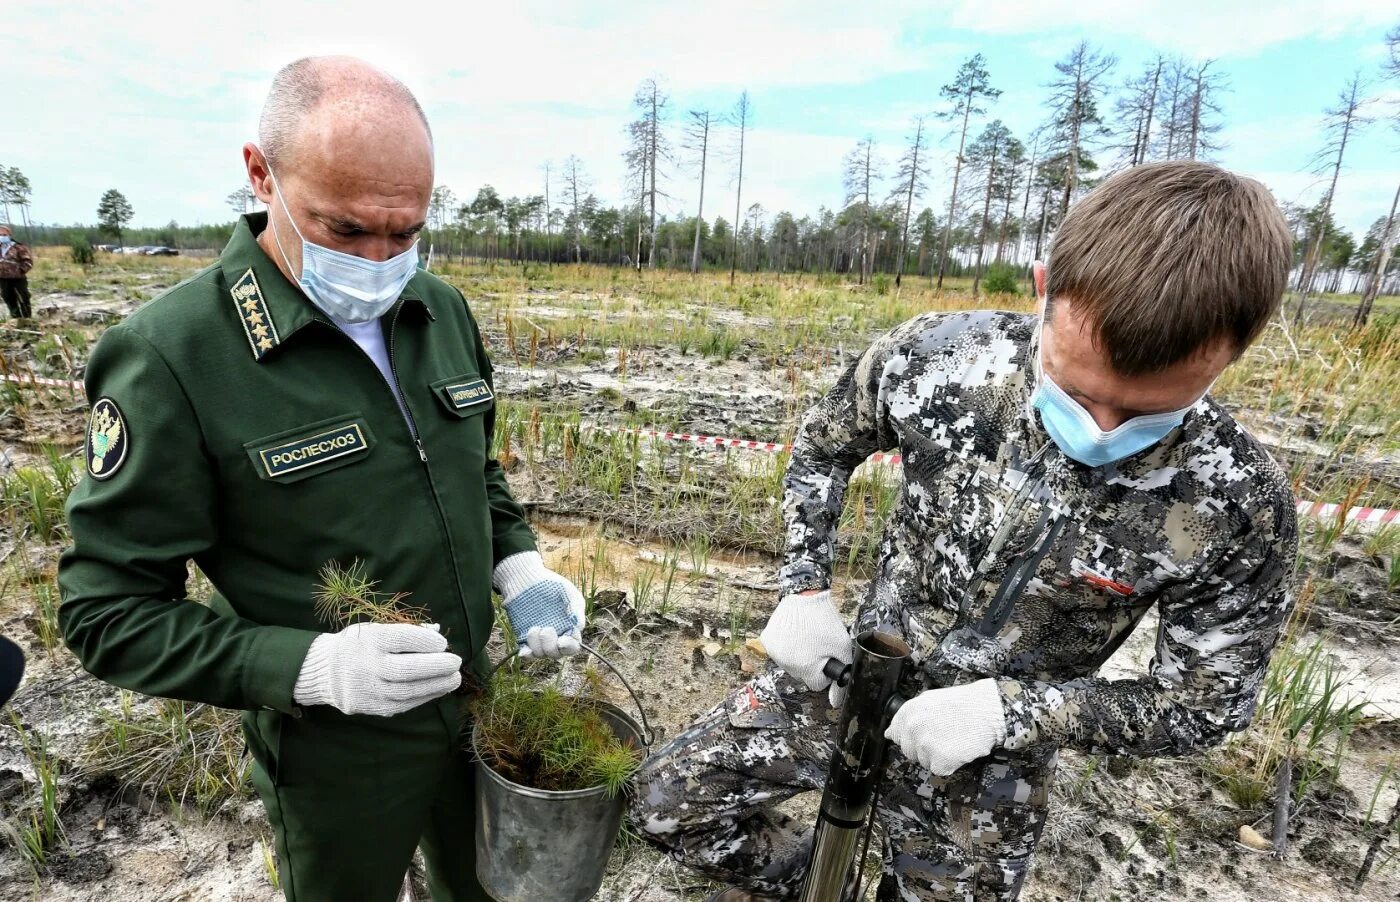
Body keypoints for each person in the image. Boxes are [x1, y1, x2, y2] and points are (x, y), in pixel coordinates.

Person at [632, 161, 1299, 901]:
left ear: (1237, 349)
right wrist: (803, 584)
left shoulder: (1238, 503)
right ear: (1045, 288)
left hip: (990, 760)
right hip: (849, 686)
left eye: (1146, 411)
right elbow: (824, 445)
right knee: (664, 806)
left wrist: (1012, 712)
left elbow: (1206, 703)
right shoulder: (939, 358)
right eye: (1076, 390)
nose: (1101, 429)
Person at [58, 56, 586, 902]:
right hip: (336, 749)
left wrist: (518, 565)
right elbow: (105, 612)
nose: (380, 259)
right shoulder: (173, 356)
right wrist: (310, 668)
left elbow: (471, 469)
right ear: (260, 174)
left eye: (406, 231)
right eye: (345, 230)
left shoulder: (439, 311)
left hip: (478, 706)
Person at [0, 226, 34, 319]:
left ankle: (27, 318)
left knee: (23, 297)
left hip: (18, 278)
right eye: (0, 235)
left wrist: (20, 271)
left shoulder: (18, 247)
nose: (2, 237)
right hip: (3, 279)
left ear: (9, 235)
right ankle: (16, 318)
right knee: (7, 297)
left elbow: (28, 262)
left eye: (4, 235)